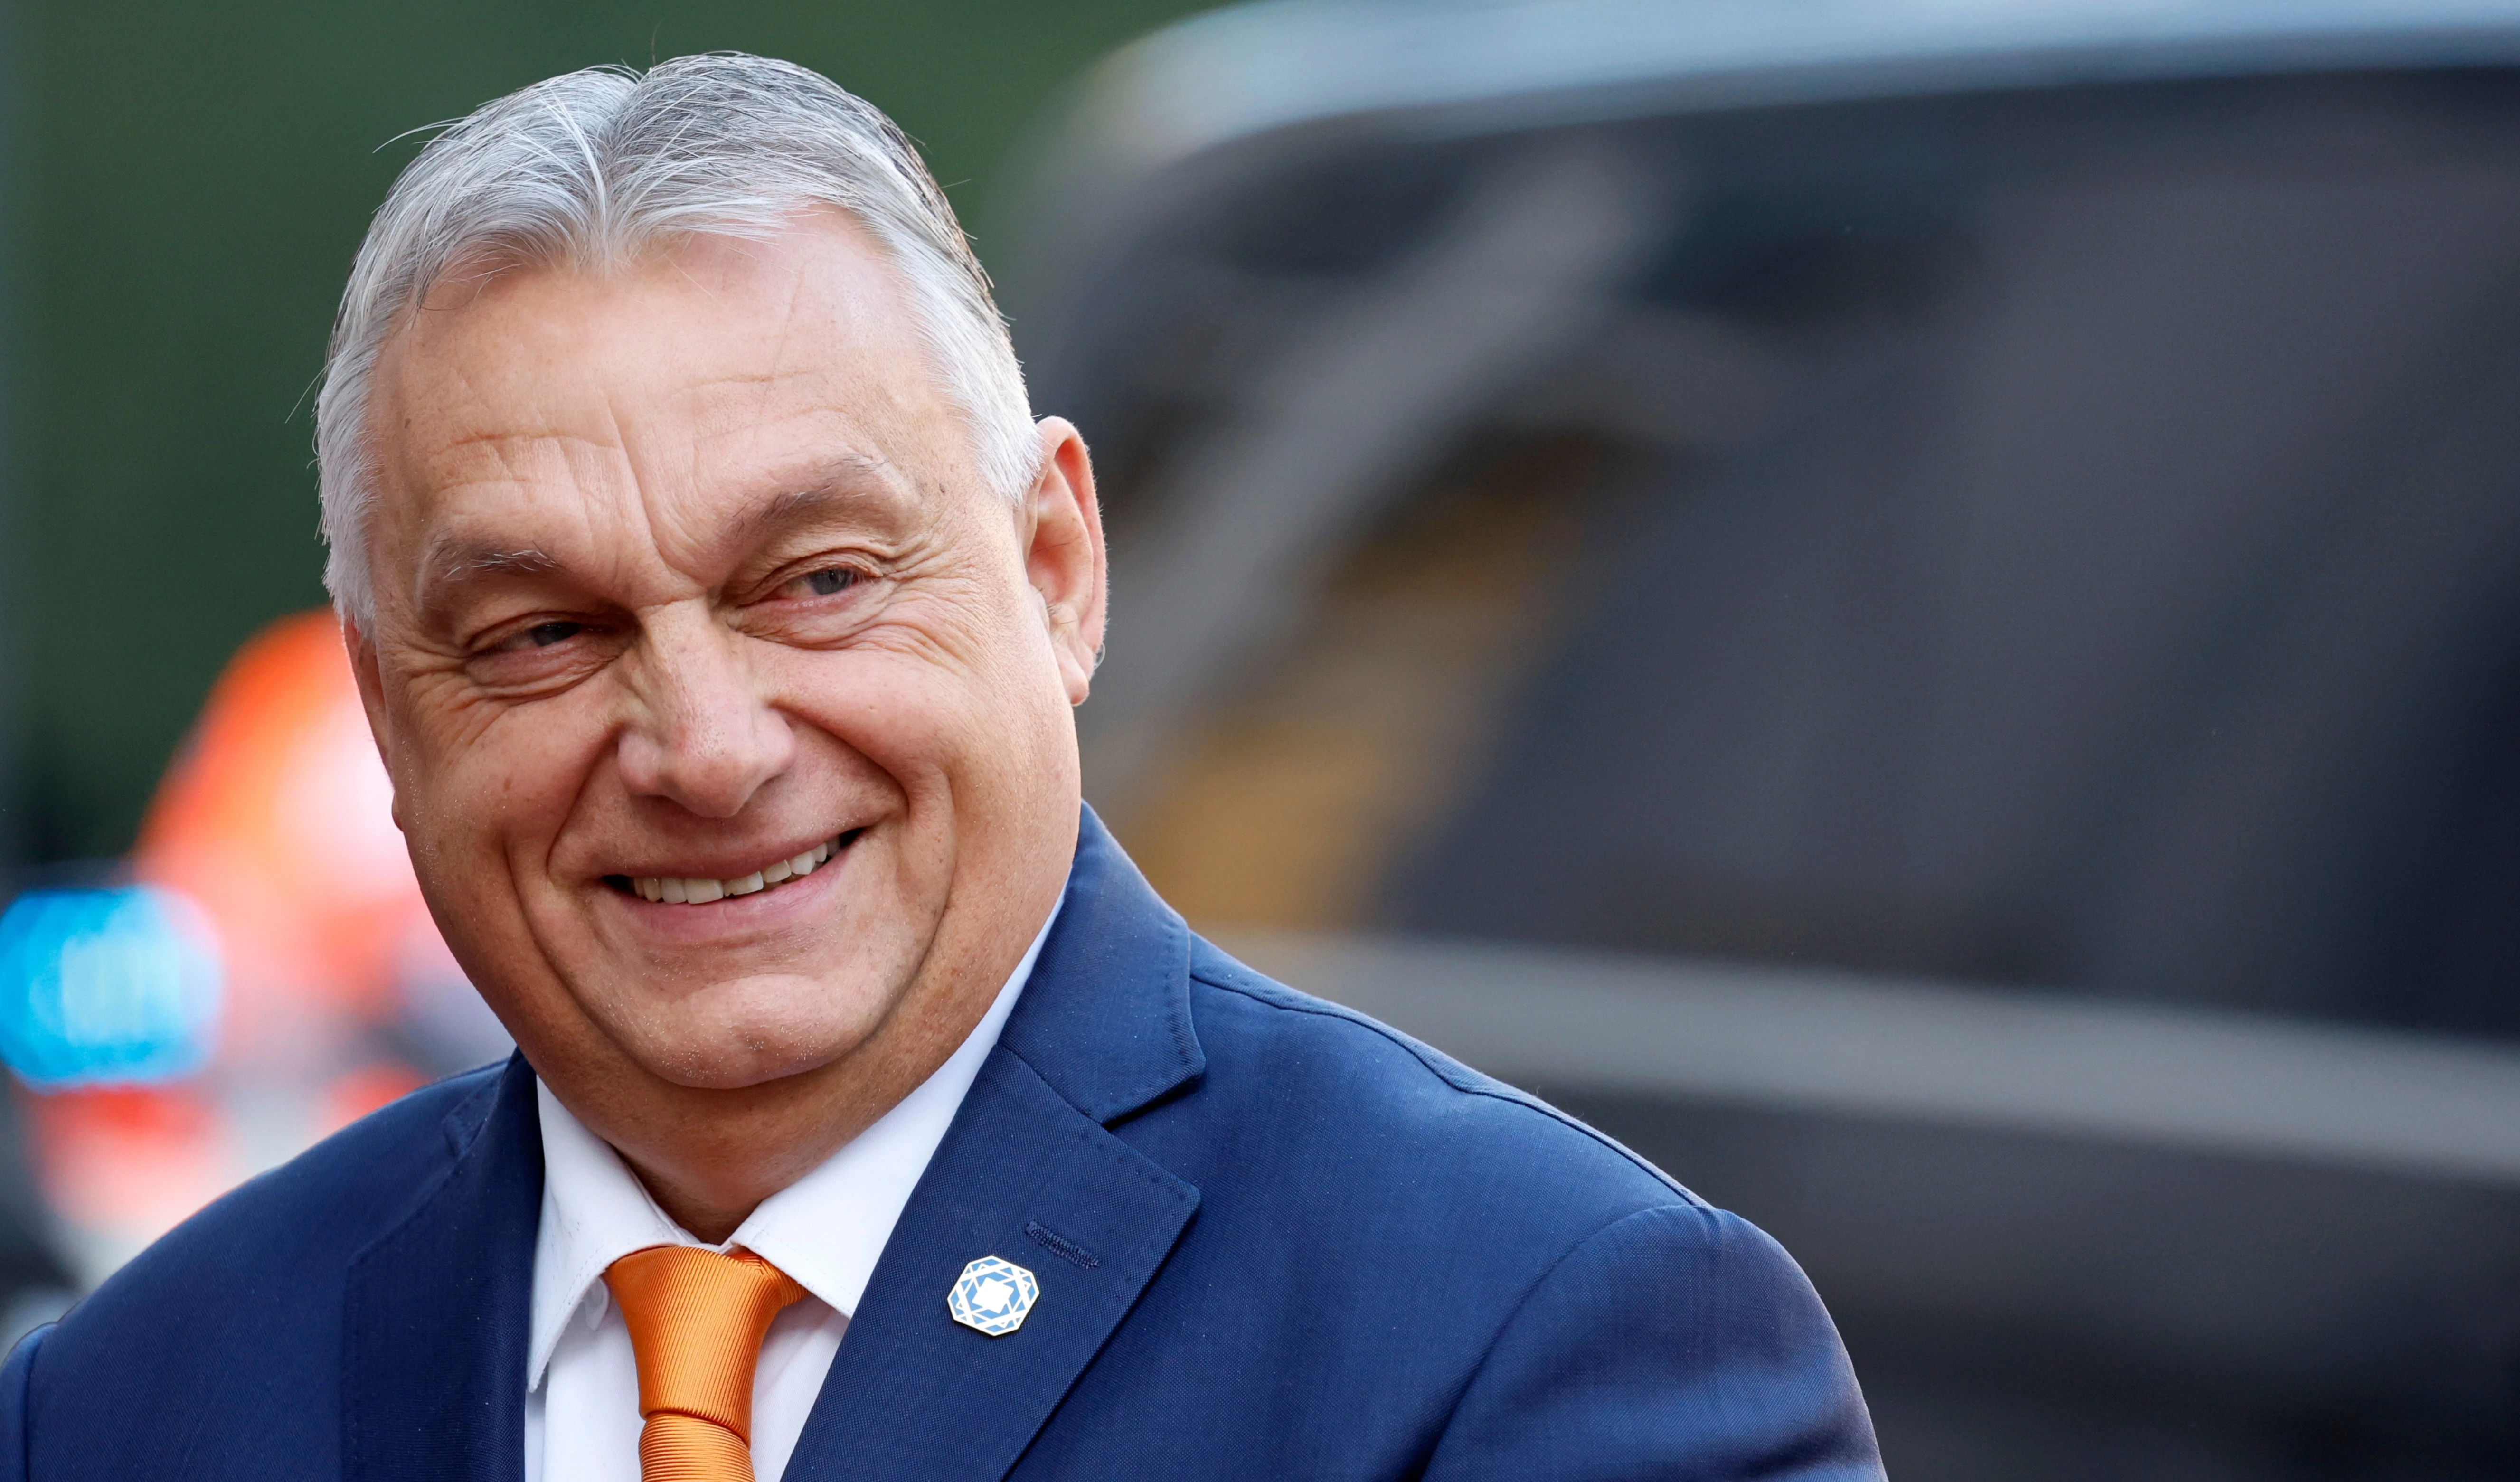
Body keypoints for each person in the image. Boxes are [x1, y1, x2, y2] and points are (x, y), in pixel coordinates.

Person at [0, 55, 1884, 1482]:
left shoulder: (1537, 1346)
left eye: (818, 583)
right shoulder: (128, 1405)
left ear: (1058, 570)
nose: (707, 748)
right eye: (543, 633)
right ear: (392, 711)